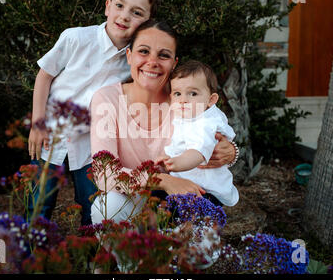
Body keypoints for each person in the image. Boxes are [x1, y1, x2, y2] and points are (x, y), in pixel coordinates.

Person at [26, 0, 160, 225]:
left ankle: (92, 260)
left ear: (146, 21)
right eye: (119, 6)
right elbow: (44, 76)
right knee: (38, 204)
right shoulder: (76, 38)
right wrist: (37, 121)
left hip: (92, 146)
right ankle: (32, 258)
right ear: (108, 6)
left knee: (94, 208)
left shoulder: (135, 61)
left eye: (136, 12)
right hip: (50, 134)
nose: (124, 16)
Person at [89, 20, 239, 224]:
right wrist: (163, 181)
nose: (152, 62)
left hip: (178, 199)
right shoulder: (107, 99)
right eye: (143, 51)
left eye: (164, 55)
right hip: (133, 195)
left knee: (193, 242)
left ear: (174, 63)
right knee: (106, 208)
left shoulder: (185, 101)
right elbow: (105, 175)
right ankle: (128, 257)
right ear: (129, 56)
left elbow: (212, 131)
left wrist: (231, 151)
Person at [156, 60, 239, 207]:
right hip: (182, 183)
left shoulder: (206, 123)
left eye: (193, 93)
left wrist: (174, 163)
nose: (183, 100)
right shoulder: (182, 115)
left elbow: (197, 152)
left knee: (189, 214)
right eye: (177, 94)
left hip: (207, 190)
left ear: (211, 100)